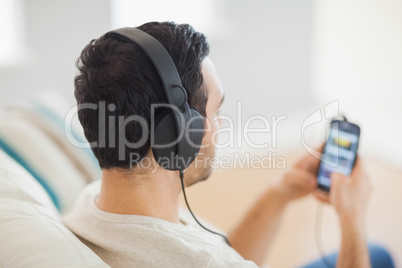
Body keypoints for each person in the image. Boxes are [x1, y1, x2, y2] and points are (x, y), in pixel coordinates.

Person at [63, 21, 394, 268]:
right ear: (178, 134)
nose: (222, 125)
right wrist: (353, 220)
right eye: (216, 111)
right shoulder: (210, 262)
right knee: (377, 255)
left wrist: (279, 193)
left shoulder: (91, 201)